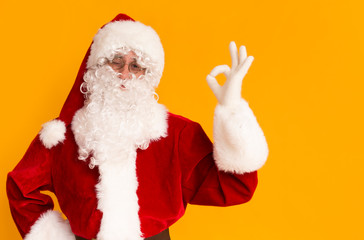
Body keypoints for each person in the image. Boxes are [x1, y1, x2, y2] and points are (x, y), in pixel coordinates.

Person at [6, 13, 268, 240]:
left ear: (149, 75)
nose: (124, 74)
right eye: (116, 62)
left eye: (136, 66)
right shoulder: (60, 137)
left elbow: (236, 187)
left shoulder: (177, 134)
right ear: (96, 67)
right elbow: (21, 188)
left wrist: (232, 110)